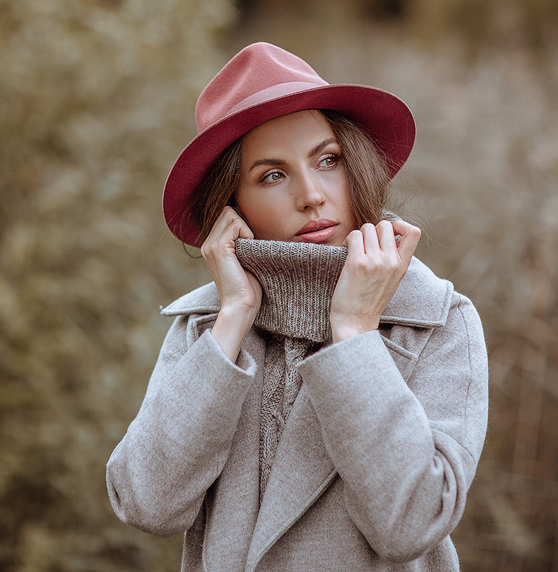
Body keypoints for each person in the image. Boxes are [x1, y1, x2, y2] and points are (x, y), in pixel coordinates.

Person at [106, 42, 488, 571]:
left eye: (328, 160)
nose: (311, 194)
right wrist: (235, 311)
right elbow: (148, 504)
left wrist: (354, 331)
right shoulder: (208, 330)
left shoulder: (438, 322)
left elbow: (411, 524)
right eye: (272, 175)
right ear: (231, 207)